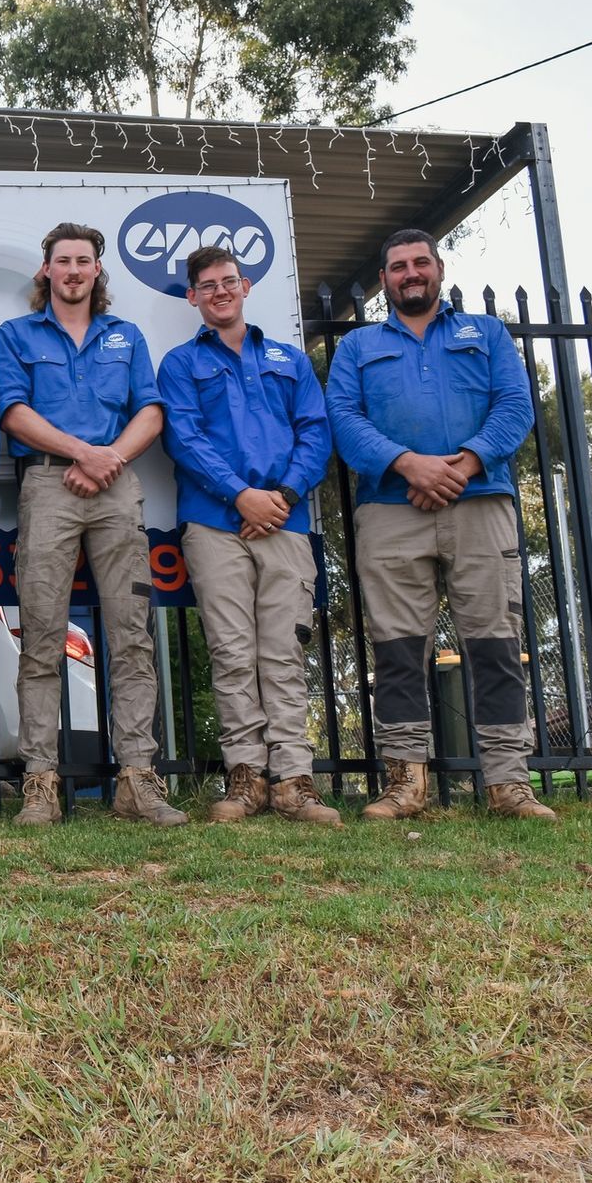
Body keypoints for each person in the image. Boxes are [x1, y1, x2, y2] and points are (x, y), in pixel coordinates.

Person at [325, 228, 552, 820]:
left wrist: (466, 461)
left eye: (419, 263)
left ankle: (508, 784)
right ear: (384, 281)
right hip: (389, 511)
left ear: (439, 269)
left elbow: (514, 405)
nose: (410, 274)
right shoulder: (357, 347)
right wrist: (408, 465)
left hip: (481, 505)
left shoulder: (488, 333)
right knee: (397, 650)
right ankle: (406, 783)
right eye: (398, 266)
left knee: (497, 645)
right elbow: (344, 420)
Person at [0, 222, 184, 826]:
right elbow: (14, 413)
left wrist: (110, 460)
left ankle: (137, 781)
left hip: (116, 483)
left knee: (131, 636)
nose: (74, 270)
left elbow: (150, 412)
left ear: (98, 271)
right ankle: (40, 783)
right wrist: (83, 453)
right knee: (42, 638)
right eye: (63, 261)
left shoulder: (124, 337)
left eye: (84, 261)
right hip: (49, 483)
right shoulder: (16, 334)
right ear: (45, 271)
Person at [158, 246, 339, 826]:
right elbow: (183, 439)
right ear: (192, 296)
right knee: (232, 652)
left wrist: (281, 498)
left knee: (283, 651)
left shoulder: (289, 359)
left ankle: (294, 780)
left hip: (286, 522)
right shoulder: (180, 364)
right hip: (215, 524)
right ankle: (246, 778)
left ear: (247, 285)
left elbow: (316, 432)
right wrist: (240, 495)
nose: (219, 291)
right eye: (207, 285)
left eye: (228, 281)